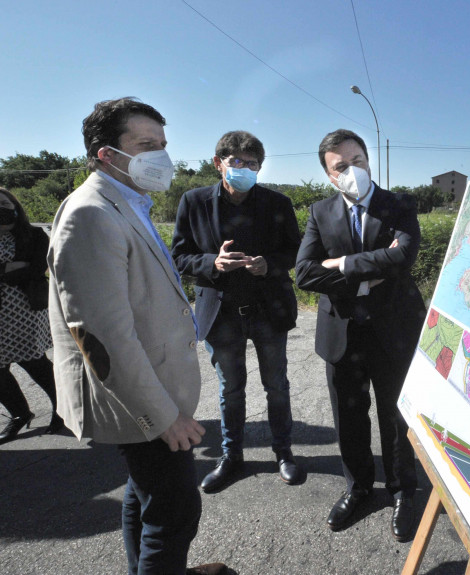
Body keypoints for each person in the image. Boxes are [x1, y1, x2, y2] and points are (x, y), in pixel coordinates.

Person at [48, 97, 229, 575]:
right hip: (140, 397)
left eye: (163, 145)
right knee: (174, 513)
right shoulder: (91, 213)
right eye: (147, 145)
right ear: (107, 154)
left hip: (154, 386)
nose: (162, 157)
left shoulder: (126, 201)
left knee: (144, 497)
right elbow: (103, 336)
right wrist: (162, 417)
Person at [295, 129, 426, 542]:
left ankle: (404, 491)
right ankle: (358, 488)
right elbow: (305, 273)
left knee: (395, 416)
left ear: (370, 161)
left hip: (394, 332)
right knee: (349, 419)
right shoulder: (320, 212)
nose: (353, 171)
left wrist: (345, 265)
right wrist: (371, 270)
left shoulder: (399, 205)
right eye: (341, 166)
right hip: (343, 334)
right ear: (330, 176)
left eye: (359, 160)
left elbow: (403, 256)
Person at [172, 131, 302, 493]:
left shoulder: (278, 203)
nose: (244, 168)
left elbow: (295, 251)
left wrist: (269, 265)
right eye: (237, 162)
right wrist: (213, 262)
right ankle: (231, 456)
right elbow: (179, 256)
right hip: (221, 311)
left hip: (268, 310)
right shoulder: (194, 201)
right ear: (219, 164)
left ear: (260, 167)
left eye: (252, 163)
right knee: (230, 389)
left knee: (276, 385)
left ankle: (284, 453)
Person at [0, 185, 62, 445]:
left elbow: (35, 269)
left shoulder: (33, 235)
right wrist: (8, 267)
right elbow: (20, 268)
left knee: (34, 362)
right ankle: (20, 414)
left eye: (4, 204)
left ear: (14, 206)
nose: (0, 210)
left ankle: (63, 409)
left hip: (25, 310)